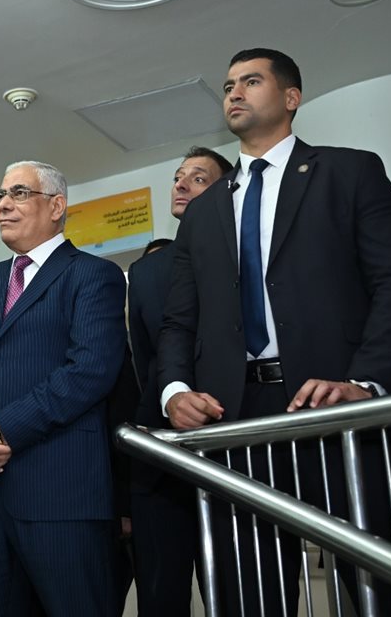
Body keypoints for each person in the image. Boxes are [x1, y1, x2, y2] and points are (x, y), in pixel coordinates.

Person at [157, 48, 391, 616]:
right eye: (228, 85)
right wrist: (174, 391)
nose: (234, 92)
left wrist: (366, 383)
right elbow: (180, 319)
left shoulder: (349, 172)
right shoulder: (202, 213)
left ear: (291, 97)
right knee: (250, 594)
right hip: (235, 419)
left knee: (384, 588)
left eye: (251, 81)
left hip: (336, 408)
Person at [0, 160, 126, 616]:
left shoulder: (94, 275)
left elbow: (90, 371)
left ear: (56, 206)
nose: (3, 205)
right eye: (0, 195)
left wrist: (3, 431)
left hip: (60, 494)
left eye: (19, 193)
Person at [125, 145, 231, 616]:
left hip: (233, 450)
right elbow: (145, 361)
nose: (182, 185)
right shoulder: (145, 272)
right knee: (161, 596)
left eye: (199, 178)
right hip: (161, 458)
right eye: (177, 177)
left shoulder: (242, 250)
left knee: (236, 593)